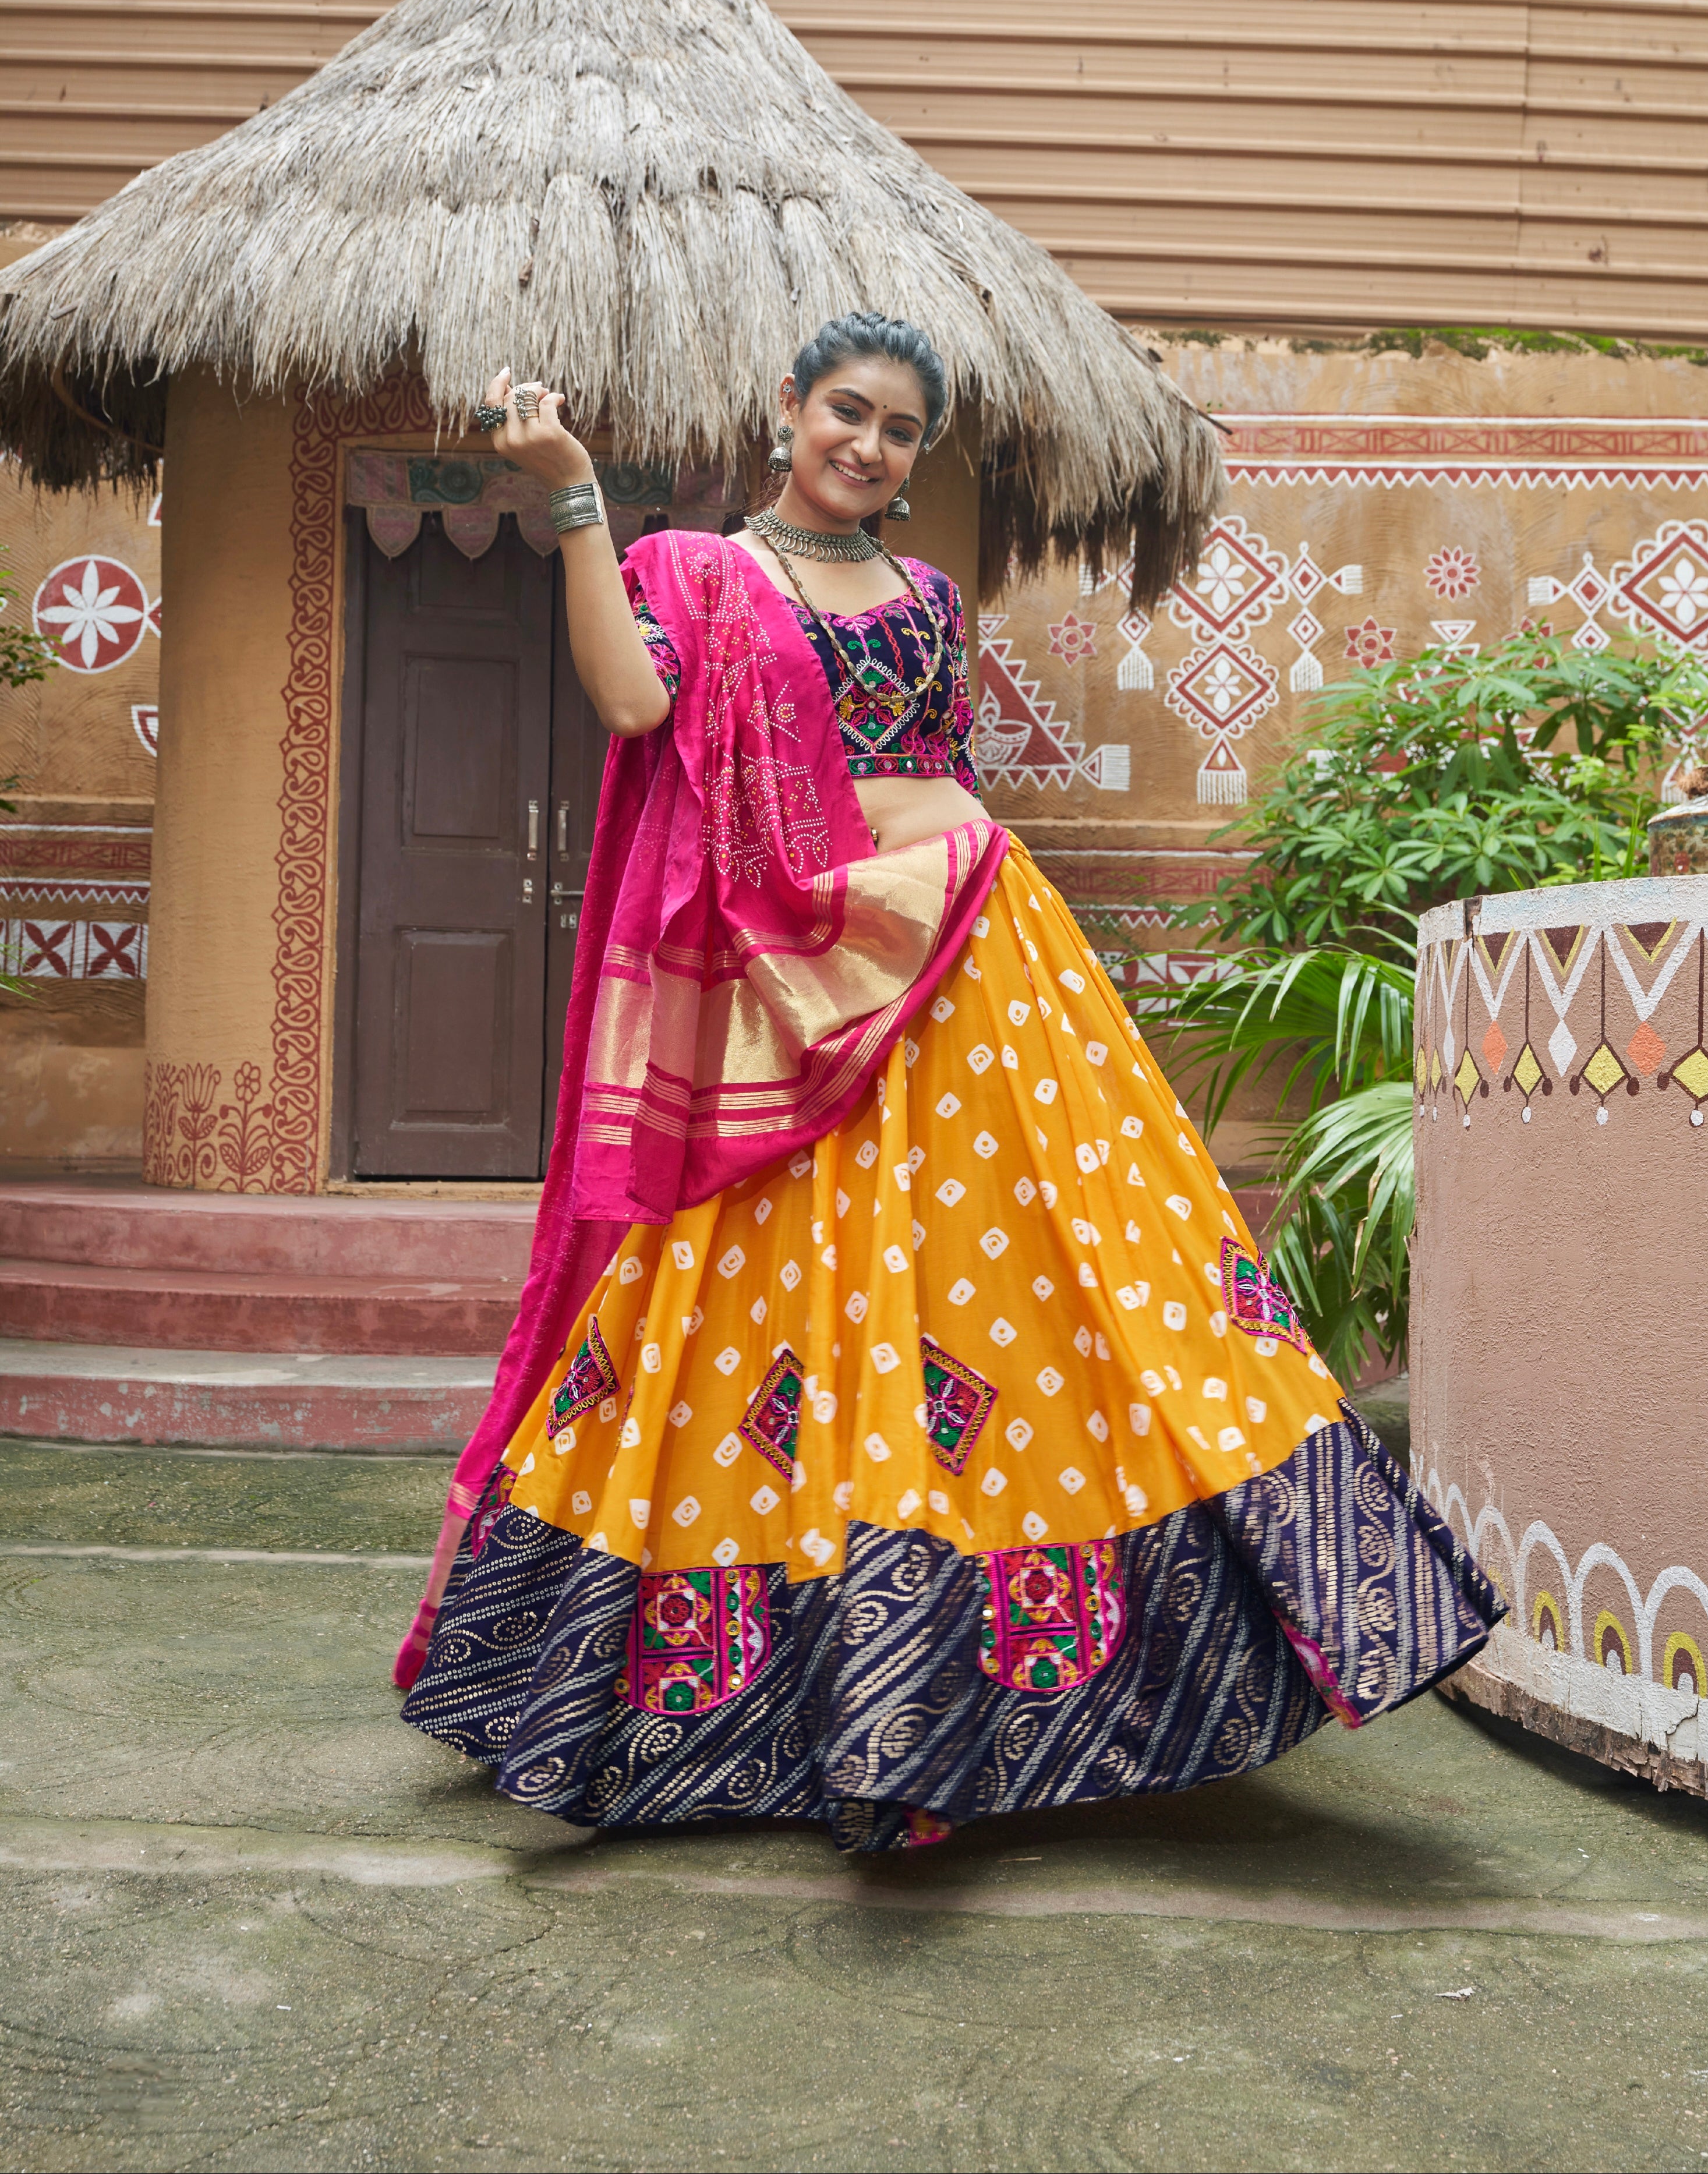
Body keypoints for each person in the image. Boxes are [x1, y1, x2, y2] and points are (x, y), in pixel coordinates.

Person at [397, 312, 1501, 1853]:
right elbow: (637, 706)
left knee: (1043, 1291)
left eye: (899, 431)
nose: (867, 446)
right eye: (846, 412)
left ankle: (985, 1701)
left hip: (965, 975)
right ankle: (762, 1703)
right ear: (790, 407)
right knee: (762, 1311)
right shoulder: (694, 573)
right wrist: (573, 492)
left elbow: (931, 767)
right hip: (784, 986)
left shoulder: (926, 594)